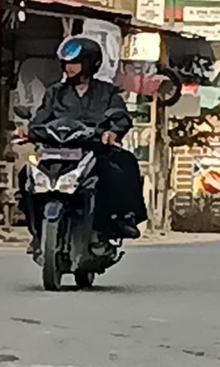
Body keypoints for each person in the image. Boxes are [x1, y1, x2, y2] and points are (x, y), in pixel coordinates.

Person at [19, 36, 143, 244]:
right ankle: (37, 228)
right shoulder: (55, 93)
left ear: (90, 63)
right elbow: (41, 118)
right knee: (26, 174)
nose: (70, 68)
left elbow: (120, 117)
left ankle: (123, 219)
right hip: (55, 152)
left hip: (93, 150)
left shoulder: (107, 92)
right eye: (67, 63)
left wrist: (113, 133)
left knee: (123, 165)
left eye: (75, 63)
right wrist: (27, 131)